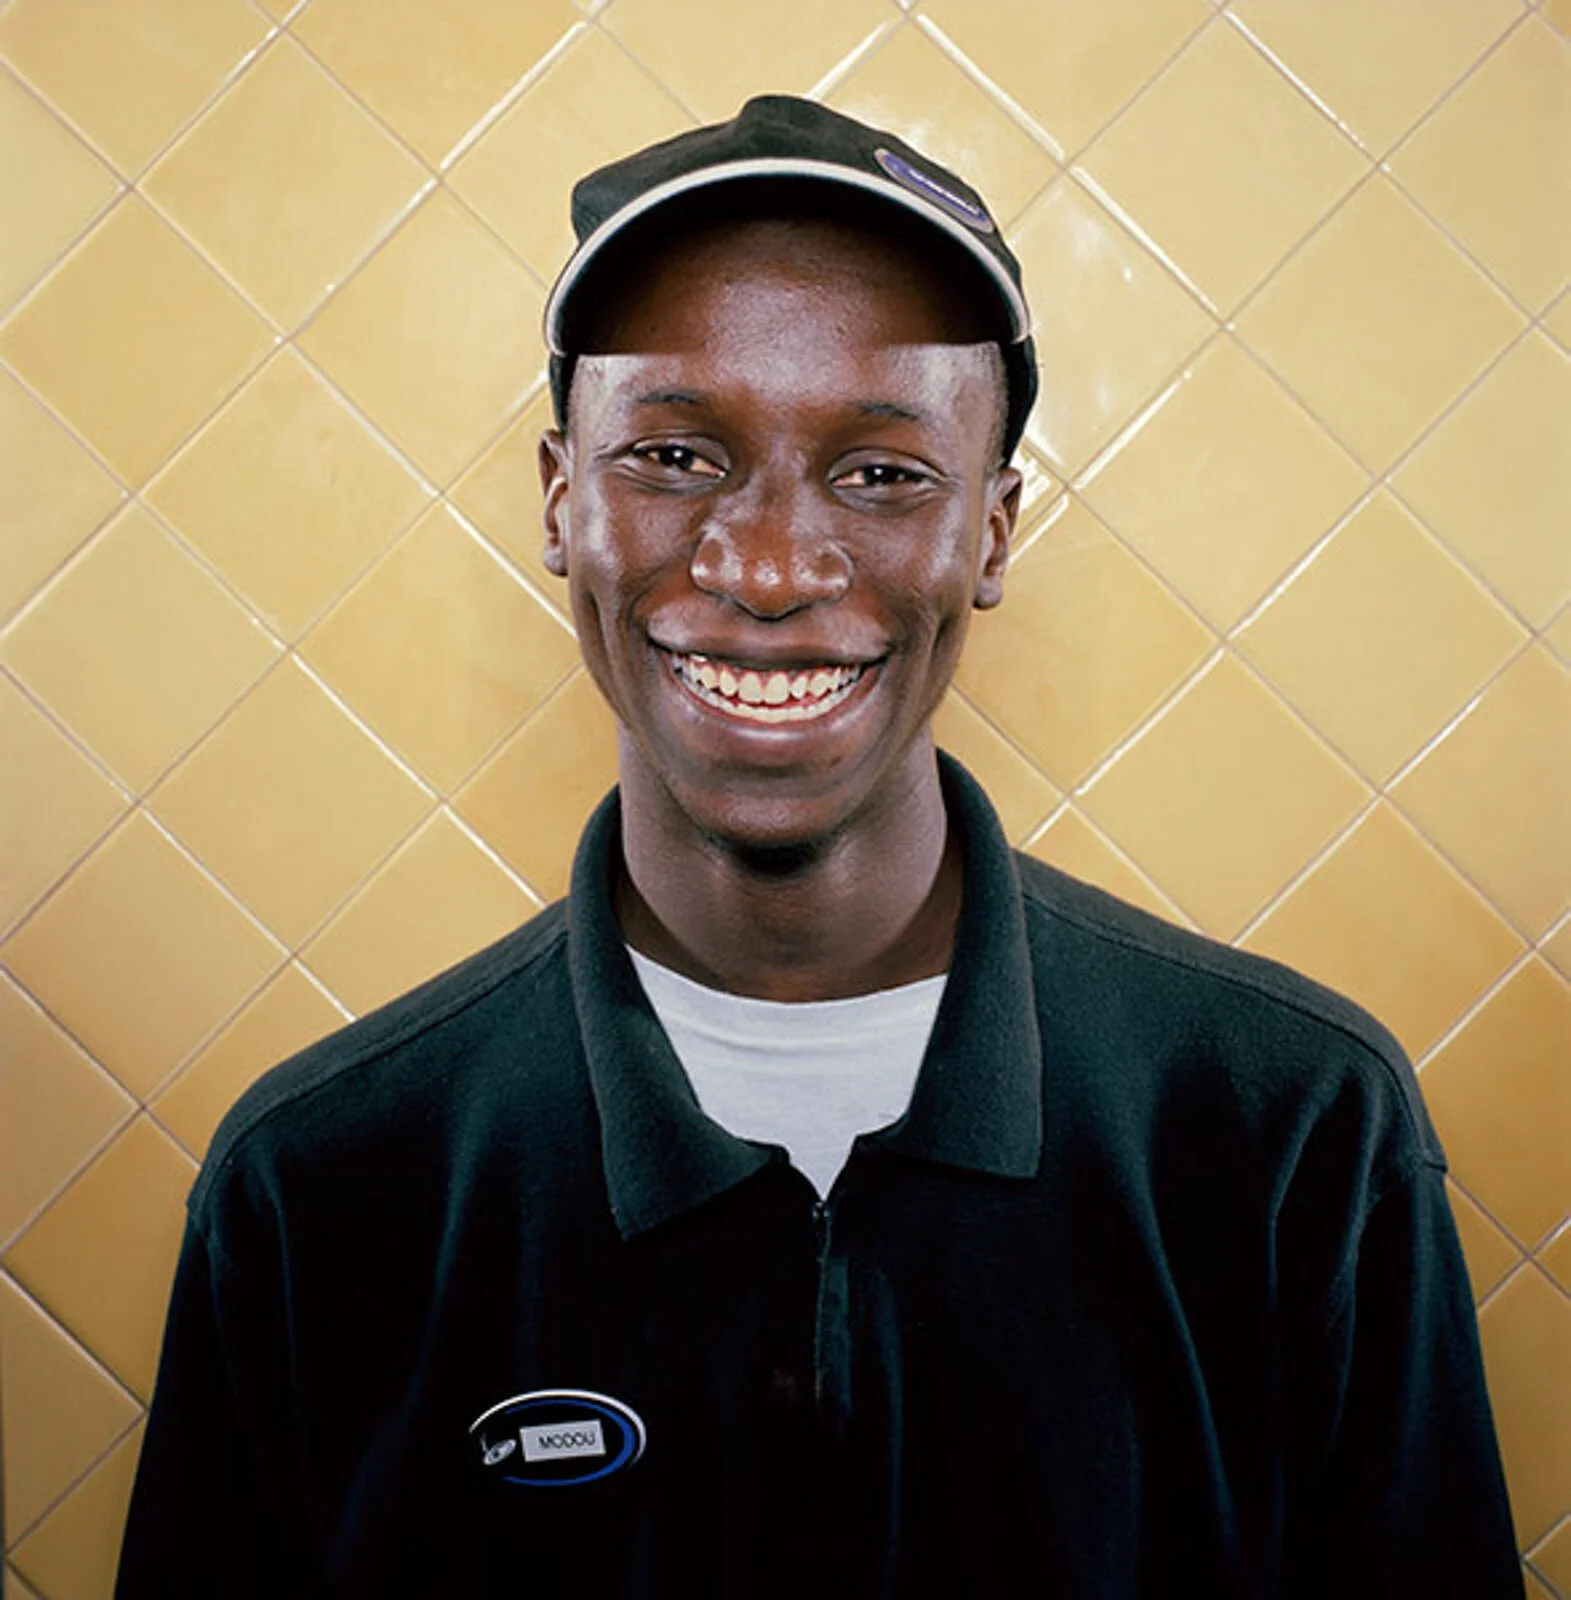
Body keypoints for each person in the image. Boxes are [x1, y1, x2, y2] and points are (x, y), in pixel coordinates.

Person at [118, 96, 1522, 1597]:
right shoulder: (326, 1184)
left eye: (880, 473)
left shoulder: (1286, 1136)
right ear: (559, 500)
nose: (772, 566)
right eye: (671, 454)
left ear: (988, 535)